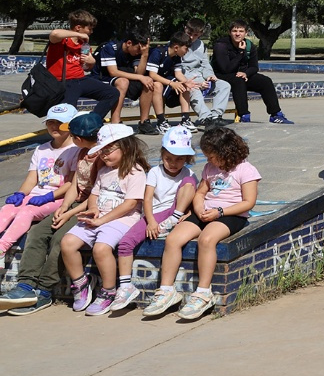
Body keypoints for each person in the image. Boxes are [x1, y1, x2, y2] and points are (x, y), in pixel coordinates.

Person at [143, 126, 259, 321]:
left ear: (225, 152)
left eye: (211, 156)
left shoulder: (246, 170)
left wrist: (219, 212)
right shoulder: (210, 169)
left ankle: (204, 293)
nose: (209, 160)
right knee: (173, 239)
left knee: (206, 239)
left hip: (231, 214)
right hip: (206, 212)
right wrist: (198, 209)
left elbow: (249, 202)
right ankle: (166, 290)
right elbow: (200, 193)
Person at [0, 112, 102, 314]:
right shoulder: (81, 153)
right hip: (74, 204)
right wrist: (64, 207)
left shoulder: (102, 158)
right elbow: (74, 184)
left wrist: (69, 213)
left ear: (78, 138)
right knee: (37, 234)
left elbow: (96, 196)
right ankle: (25, 285)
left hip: (92, 208)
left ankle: (44, 290)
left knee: (60, 240)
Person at [59, 125, 147, 314]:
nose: (104, 155)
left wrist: (102, 220)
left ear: (126, 147)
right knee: (67, 242)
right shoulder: (103, 171)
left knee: (101, 248)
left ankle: (108, 291)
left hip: (122, 220)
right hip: (99, 217)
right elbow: (94, 195)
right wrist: (93, 210)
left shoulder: (136, 172)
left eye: (108, 150)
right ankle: (81, 283)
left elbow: (130, 204)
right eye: (102, 151)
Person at [110, 125, 198, 313]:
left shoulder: (189, 175)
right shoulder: (155, 172)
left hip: (174, 212)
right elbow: (147, 198)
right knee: (125, 242)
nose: (173, 163)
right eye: (168, 158)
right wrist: (150, 221)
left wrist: (186, 213)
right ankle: (126, 287)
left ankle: (174, 219)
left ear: (187, 159)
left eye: (179, 159)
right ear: (162, 154)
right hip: (155, 214)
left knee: (190, 183)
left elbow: (191, 196)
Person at [0, 103, 81, 254]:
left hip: (58, 198)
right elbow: (32, 178)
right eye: (51, 122)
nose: (54, 126)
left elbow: (71, 182)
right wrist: (21, 193)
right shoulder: (41, 149)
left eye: (60, 123)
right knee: (7, 209)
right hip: (36, 194)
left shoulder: (76, 150)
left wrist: (49, 196)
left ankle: (2, 248)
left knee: (27, 212)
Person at [44, 12, 121, 120]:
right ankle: (67, 131)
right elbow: (54, 33)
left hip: (80, 79)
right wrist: (78, 35)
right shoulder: (62, 41)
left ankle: (92, 121)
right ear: (78, 27)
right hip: (64, 81)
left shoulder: (84, 45)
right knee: (68, 110)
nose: (91, 32)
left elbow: (85, 68)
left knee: (112, 93)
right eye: (89, 29)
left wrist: (91, 63)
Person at [212, 20, 288, 125]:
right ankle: (244, 115)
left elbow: (254, 67)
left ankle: (275, 114)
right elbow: (226, 68)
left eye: (241, 31)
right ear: (229, 32)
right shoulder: (221, 45)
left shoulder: (249, 45)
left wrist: (246, 73)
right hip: (222, 75)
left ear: (246, 33)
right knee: (239, 81)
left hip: (241, 75)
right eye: (234, 31)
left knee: (265, 81)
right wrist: (240, 52)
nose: (237, 34)